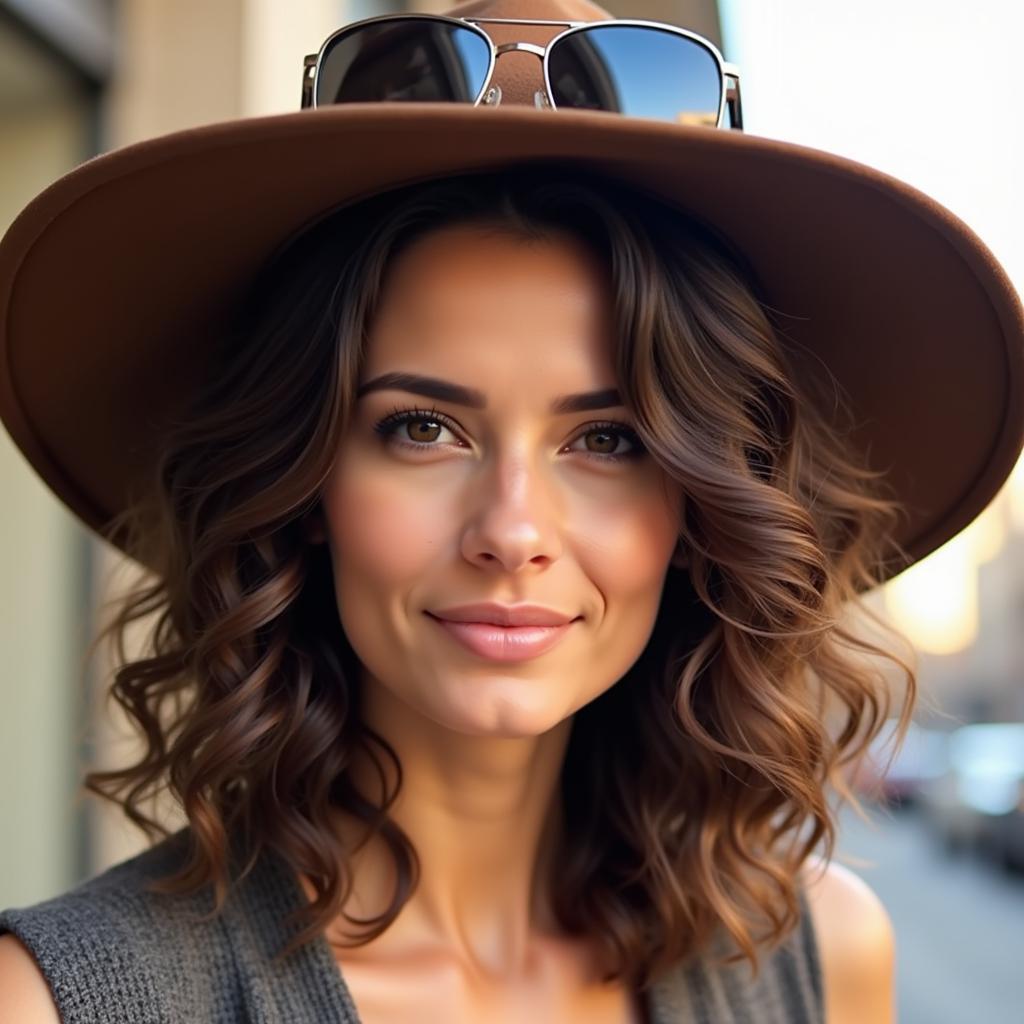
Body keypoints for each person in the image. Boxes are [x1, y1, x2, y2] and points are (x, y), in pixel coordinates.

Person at [0, 2, 1021, 1022]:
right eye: (422, 428)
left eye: (608, 439)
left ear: (700, 508)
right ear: (307, 485)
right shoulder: (56, 1001)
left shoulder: (820, 960)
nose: (513, 531)